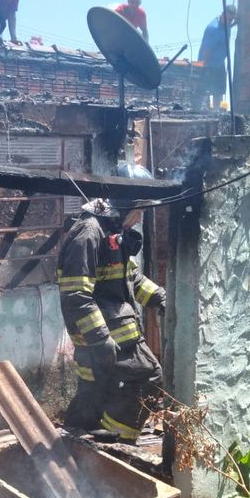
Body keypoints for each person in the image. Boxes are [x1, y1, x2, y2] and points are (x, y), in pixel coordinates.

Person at [56, 164, 166, 444]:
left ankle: (75, 441)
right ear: (125, 203)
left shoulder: (111, 231)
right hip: (105, 333)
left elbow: (131, 278)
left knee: (96, 387)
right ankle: (115, 438)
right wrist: (101, 338)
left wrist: (160, 298)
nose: (140, 217)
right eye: (139, 209)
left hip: (109, 330)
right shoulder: (89, 233)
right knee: (149, 376)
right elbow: (76, 295)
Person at [197, 4, 236, 108]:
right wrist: (203, 68)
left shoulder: (228, 24)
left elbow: (235, 20)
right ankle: (202, 111)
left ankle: (216, 112)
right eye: (227, 18)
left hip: (219, 64)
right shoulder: (213, 29)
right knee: (205, 89)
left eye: (231, 20)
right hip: (208, 64)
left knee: (218, 91)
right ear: (223, 14)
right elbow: (207, 50)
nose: (229, 21)